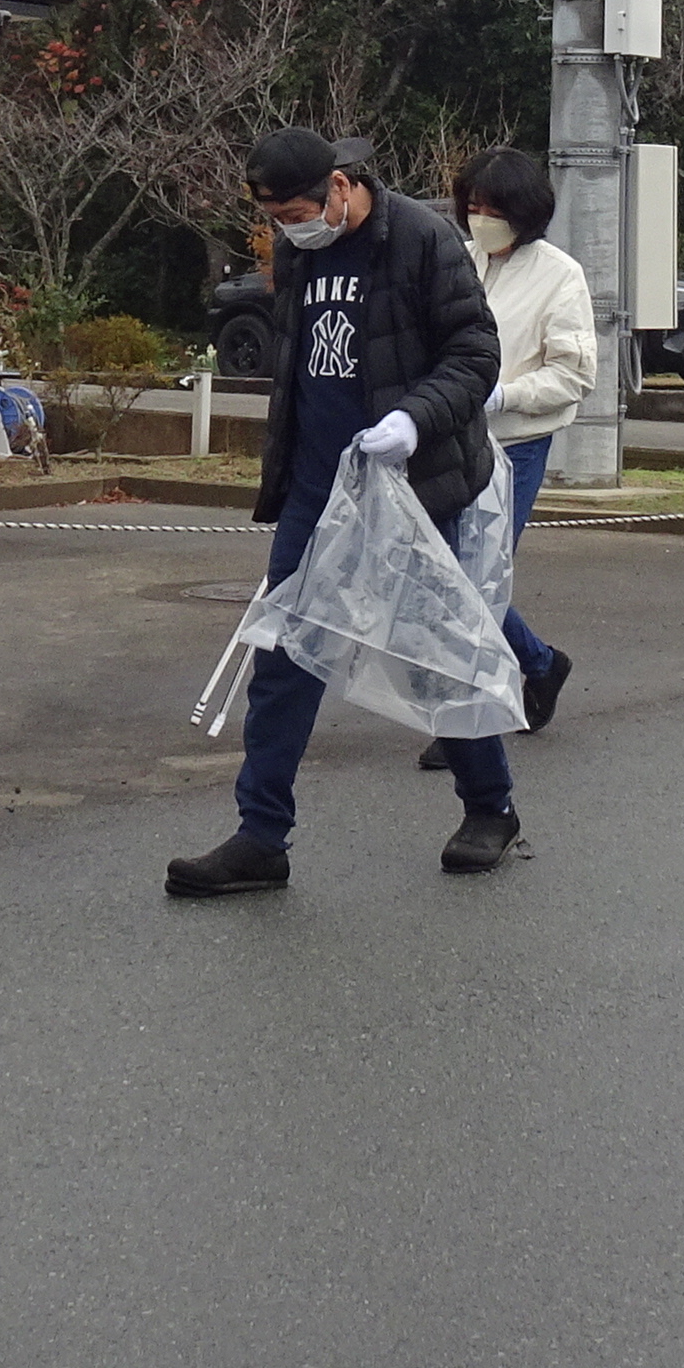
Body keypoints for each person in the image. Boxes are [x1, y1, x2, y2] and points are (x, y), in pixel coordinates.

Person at [173, 125, 521, 897]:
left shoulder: (422, 240)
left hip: (416, 483)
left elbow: (476, 355)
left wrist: (413, 420)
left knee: (437, 652)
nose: (289, 226)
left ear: (340, 185)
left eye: (298, 209)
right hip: (317, 488)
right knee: (284, 657)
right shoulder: (300, 250)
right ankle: (261, 836)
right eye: (275, 216)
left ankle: (490, 808)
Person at [413, 145, 590, 771]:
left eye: (493, 208)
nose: (480, 218)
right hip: (447, 439)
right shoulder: (455, 259)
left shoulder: (560, 275)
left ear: (525, 211)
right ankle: (538, 664)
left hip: (516, 443)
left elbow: (573, 376)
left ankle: (464, 722)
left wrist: (503, 394)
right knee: (442, 575)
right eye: (473, 206)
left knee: (474, 579)